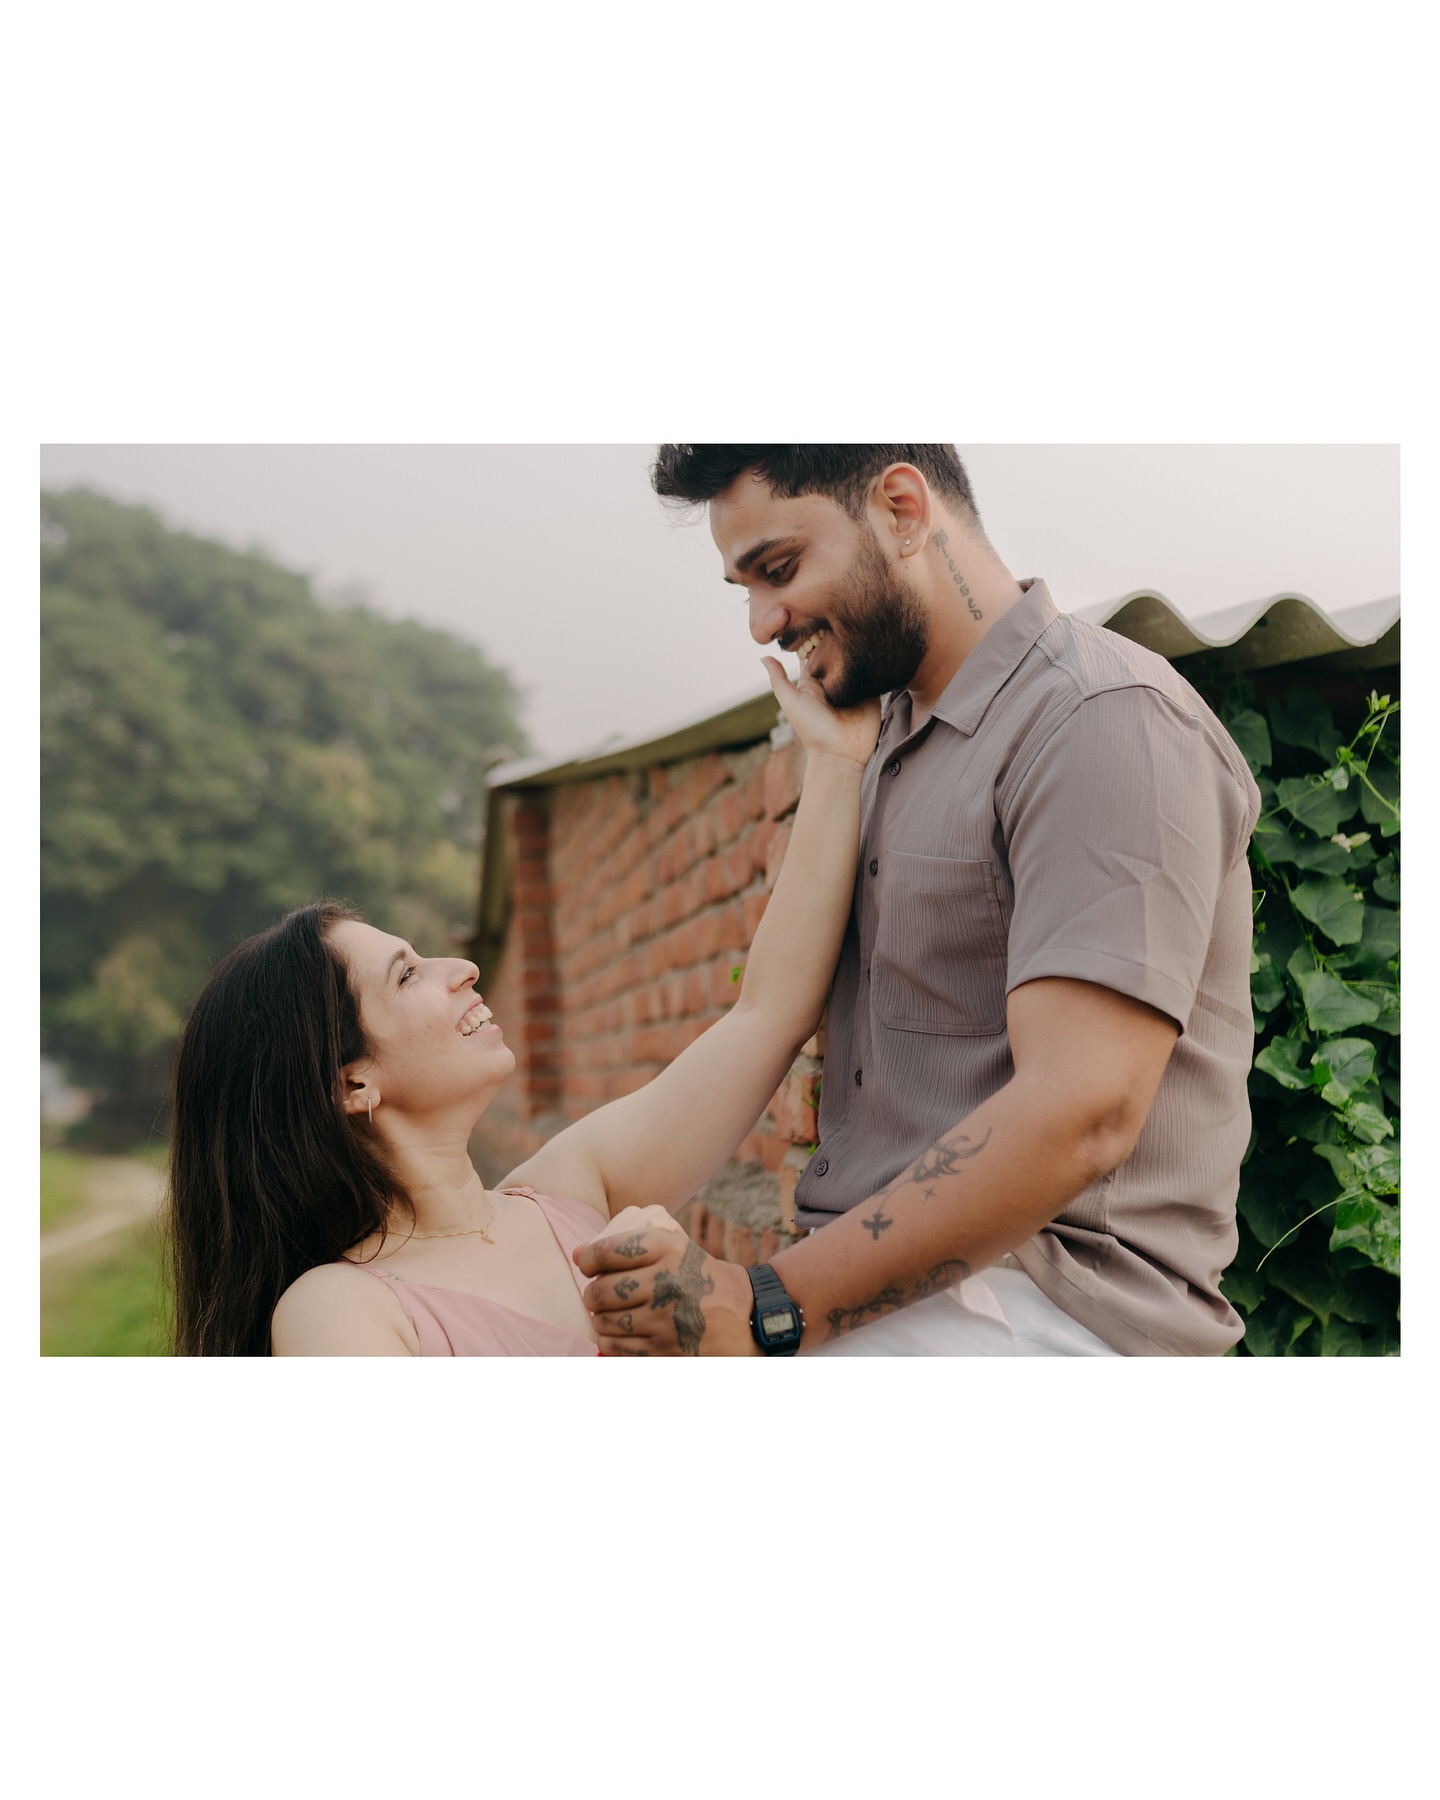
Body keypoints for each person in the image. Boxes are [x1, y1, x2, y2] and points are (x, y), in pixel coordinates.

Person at [572, 444, 1261, 1356]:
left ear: (902, 509)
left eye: (777, 570)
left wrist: (767, 1304)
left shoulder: (1099, 719)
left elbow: (1080, 1111)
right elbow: (767, 1011)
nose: (763, 623)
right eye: (743, 588)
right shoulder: (878, 737)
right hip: (892, 1305)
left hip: (1051, 1311)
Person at [164, 656, 879, 1356]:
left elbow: (768, 1014)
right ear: (351, 1083)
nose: (466, 969)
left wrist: (838, 762)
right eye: (407, 975)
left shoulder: (569, 1187)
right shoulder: (335, 1310)